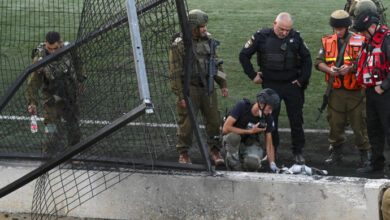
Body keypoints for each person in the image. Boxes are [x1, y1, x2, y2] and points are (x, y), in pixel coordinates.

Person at [239, 12, 312, 164]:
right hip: (271, 86)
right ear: (274, 24)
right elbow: (244, 55)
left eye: (287, 30)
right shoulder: (261, 36)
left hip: (291, 86)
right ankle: (273, 151)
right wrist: (253, 75)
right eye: (281, 29)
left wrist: (301, 80)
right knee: (271, 120)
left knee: (296, 119)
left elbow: (307, 59)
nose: (284, 33)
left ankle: (298, 152)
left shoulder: (296, 37)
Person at [169, 9, 228, 165]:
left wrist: (223, 84)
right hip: (190, 89)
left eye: (205, 26)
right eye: (202, 26)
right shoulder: (179, 45)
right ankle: (183, 153)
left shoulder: (209, 40)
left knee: (214, 121)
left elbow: (216, 64)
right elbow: (175, 73)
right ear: (193, 27)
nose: (205, 29)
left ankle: (214, 150)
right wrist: (181, 96)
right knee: (186, 123)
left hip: (208, 87)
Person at [314, 10, 371, 168]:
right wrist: (329, 70)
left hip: (356, 91)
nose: (337, 32)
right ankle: (336, 152)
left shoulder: (360, 40)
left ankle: (364, 154)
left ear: (347, 27)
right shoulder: (327, 41)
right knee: (335, 123)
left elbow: (367, 62)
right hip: (336, 91)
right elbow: (319, 62)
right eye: (335, 28)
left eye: (340, 29)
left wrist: (351, 68)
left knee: (359, 124)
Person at [27, 31, 86, 155]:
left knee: (75, 127)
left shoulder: (69, 50)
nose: (52, 52)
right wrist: (32, 102)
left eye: (55, 48)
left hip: (70, 94)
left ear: (60, 43)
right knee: (51, 132)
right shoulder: (40, 58)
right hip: (52, 97)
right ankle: (47, 158)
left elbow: (78, 63)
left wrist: (81, 80)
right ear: (45, 44)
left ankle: (74, 154)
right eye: (49, 48)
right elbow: (33, 82)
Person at [353, 11, 390, 173]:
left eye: (362, 31)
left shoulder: (387, 40)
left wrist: (383, 86)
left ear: (372, 26)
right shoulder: (369, 40)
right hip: (372, 91)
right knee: (373, 129)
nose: (361, 34)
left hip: (385, 93)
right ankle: (376, 165)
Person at [222, 88, 280, 172]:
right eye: (269, 108)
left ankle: (243, 165)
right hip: (232, 140)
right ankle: (232, 163)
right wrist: (250, 131)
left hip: (249, 141)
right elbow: (225, 129)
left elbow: (269, 144)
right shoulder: (242, 106)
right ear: (261, 104)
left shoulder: (268, 118)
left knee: (253, 163)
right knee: (234, 137)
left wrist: (272, 164)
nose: (270, 112)